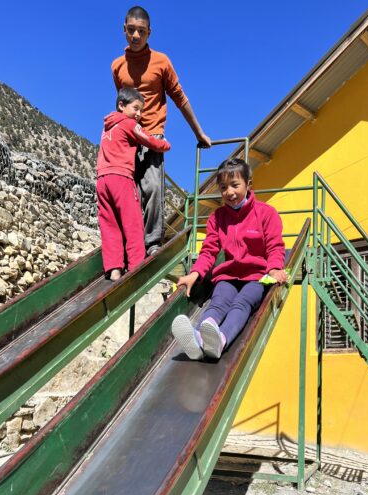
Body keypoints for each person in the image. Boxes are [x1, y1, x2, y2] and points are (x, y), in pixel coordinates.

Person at [111, 5, 211, 255]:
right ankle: (130, 242)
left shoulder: (161, 62)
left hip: (153, 134)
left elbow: (179, 98)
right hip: (127, 137)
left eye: (141, 32)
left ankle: (153, 242)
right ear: (124, 29)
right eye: (131, 30)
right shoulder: (117, 66)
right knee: (128, 190)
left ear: (149, 33)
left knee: (153, 187)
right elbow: (120, 104)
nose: (135, 36)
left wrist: (198, 133)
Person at [171, 158, 287, 360]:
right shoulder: (217, 217)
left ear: (248, 184)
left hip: (256, 276)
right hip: (229, 274)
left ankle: (221, 340)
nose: (229, 192)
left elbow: (275, 246)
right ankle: (198, 339)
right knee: (218, 302)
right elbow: (209, 250)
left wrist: (274, 268)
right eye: (223, 187)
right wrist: (195, 274)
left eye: (235, 185)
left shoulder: (266, 213)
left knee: (242, 303)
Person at [96, 87, 170, 281]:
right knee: (133, 221)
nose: (138, 114)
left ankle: (114, 269)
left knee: (110, 224)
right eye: (136, 108)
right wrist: (165, 145)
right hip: (121, 178)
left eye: (141, 111)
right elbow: (148, 140)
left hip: (102, 179)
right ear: (121, 105)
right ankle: (136, 266)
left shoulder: (107, 127)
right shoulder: (129, 124)